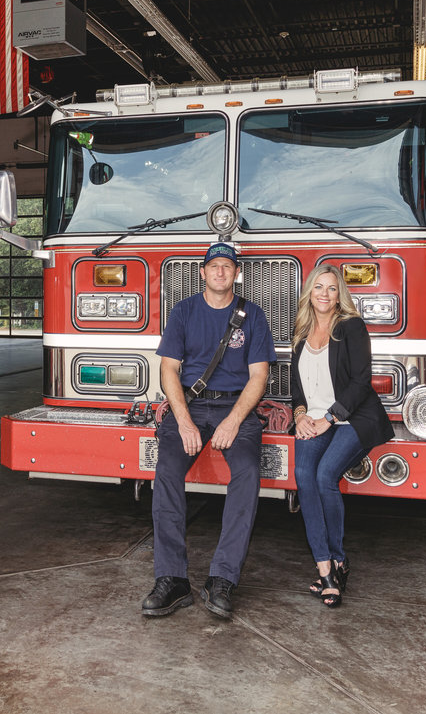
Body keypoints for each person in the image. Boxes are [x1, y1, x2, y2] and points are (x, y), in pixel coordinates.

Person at [142, 242, 276, 620]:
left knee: (248, 475)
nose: (220, 272)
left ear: (237, 274)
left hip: (236, 407)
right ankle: (172, 579)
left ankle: (223, 578)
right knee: (166, 473)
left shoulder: (253, 315)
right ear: (202, 273)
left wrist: (234, 420)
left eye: (227, 267)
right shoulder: (183, 312)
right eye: (213, 266)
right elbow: (169, 369)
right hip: (191, 406)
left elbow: (259, 375)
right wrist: (183, 421)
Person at [290, 263, 393, 608]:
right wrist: (300, 414)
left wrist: (330, 418)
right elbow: (297, 385)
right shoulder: (301, 332)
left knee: (324, 476)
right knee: (303, 476)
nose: (324, 294)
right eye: (319, 287)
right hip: (314, 420)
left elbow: (361, 380)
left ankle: (337, 559)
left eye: (332, 289)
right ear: (310, 292)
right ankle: (326, 569)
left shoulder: (351, 327)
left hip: (352, 420)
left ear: (339, 296)